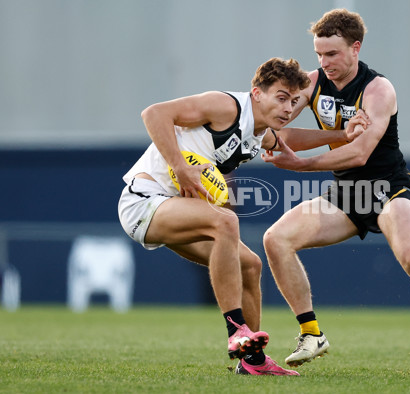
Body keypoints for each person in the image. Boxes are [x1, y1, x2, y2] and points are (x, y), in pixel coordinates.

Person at [261, 9, 410, 375]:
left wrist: (302, 164)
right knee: (275, 239)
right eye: (318, 54)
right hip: (347, 193)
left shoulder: (378, 90)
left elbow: (359, 154)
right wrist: (268, 133)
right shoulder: (311, 83)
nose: (323, 63)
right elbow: (277, 131)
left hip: (388, 188)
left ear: (355, 48)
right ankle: (311, 334)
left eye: (332, 54)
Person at [117, 57, 360, 376]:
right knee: (226, 221)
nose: (288, 107)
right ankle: (237, 331)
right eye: (281, 97)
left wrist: (344, 134)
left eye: (293, 100)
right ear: (258, 94)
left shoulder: (259, 133)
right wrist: (179, 167)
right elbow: (154, 113)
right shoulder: (227, 107)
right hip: (143, 201)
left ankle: (252, 361)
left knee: (250, 264)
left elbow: (288, 140)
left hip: (174, 208)